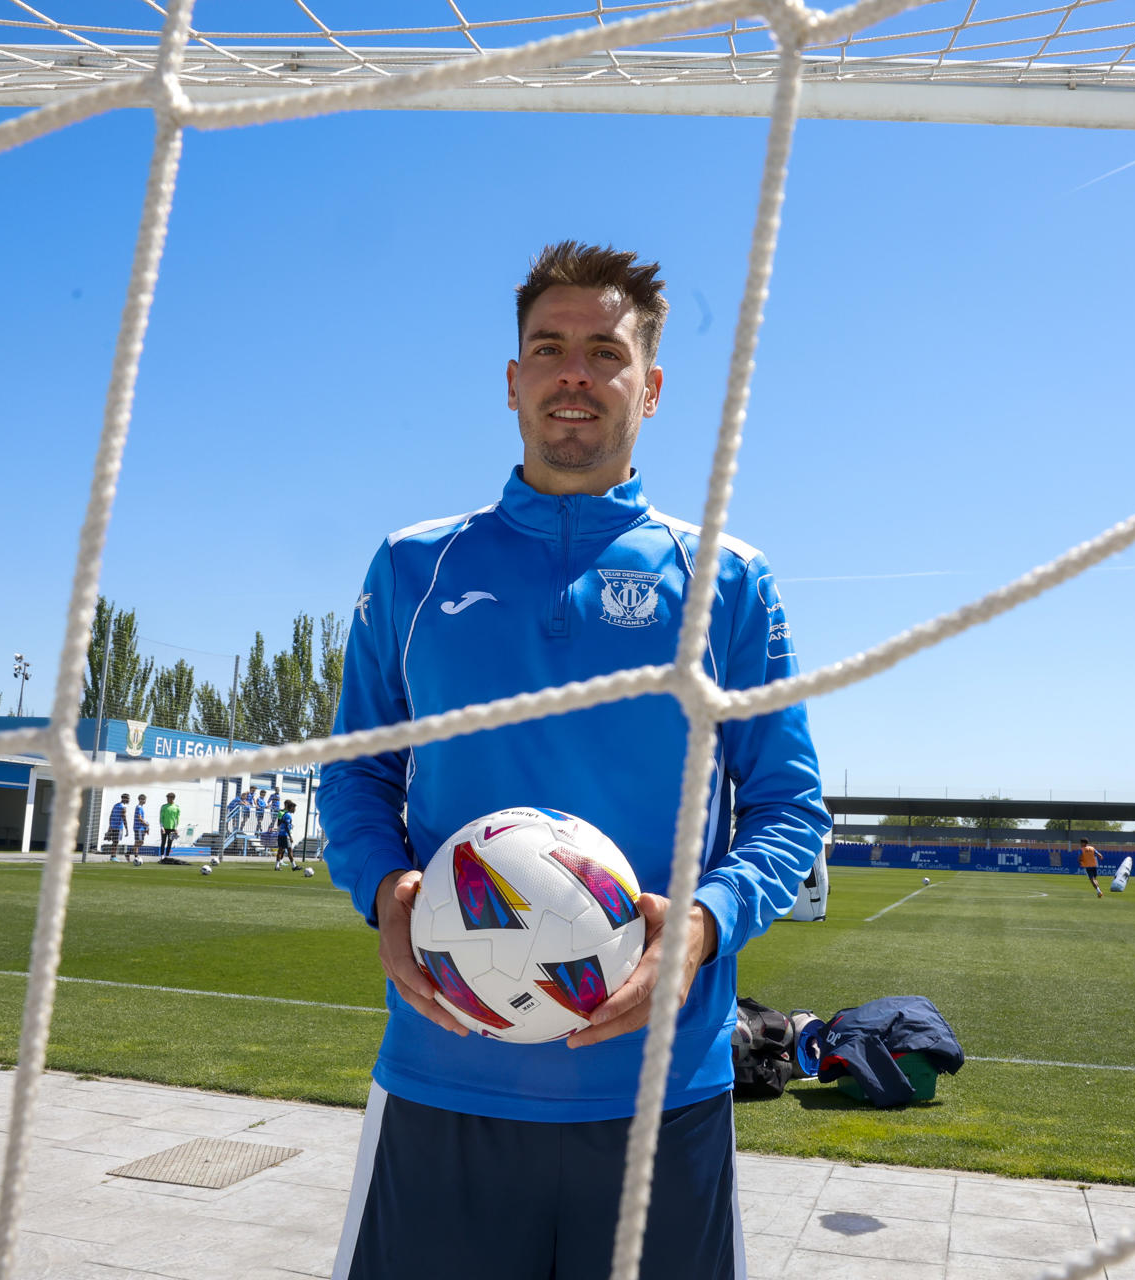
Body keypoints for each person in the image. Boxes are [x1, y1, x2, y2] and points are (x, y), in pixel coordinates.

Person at [321, 241, 828, 1280]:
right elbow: (356, 770)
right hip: (443, 1080)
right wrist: (385, 890)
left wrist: (699, 923)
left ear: (650, 383)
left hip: (659, 1098)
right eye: (549, 348)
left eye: (605, 351)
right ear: (512, 379)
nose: (574, 373)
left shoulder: (726, 578)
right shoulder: (415, 565)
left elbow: (788, 806)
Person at [273, 799, 296, 870]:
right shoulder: (283, 812)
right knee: (289, 850)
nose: (294, 809)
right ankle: (294, 866)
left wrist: (289, 825)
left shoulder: (287, 814)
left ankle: (277, 865)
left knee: (281, 850)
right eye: (293, 807)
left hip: (282, 834)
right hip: (285, 834)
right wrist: (290, 835)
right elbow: (279, 823)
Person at [106, 794, 128, 859]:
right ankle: (113, 856)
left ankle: (113, 856)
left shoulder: (115, 805)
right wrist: (127, 829)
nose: (129, 800)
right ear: (124, 798)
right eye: (128, 798)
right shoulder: (123, 807)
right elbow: (124, 818)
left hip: (113, 826)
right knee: (116, 842)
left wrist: (110, 826)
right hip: (118, 827)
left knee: (114, 842)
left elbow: (111, 816)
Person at [159, 792, 180, 859]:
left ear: (173, 798)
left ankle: (167, 856)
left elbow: (177, 819)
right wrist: (162, 827)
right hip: (164, 828)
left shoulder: (177, 807)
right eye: (167, 798)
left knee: (169, 843)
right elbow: (161, 818)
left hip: (172, 829)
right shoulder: (164, 806)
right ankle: (162, 856)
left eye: (169, 798)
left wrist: (176, 828)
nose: (167, 799)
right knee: (163, 842)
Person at [132, 794, 149, 858]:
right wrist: (145, 823)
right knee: (138, 841)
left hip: (141, 828)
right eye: (143, 799)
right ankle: (136, 857)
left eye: (145, 799)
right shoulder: (138, 807)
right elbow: (139, 818)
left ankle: (128, 852)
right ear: (140, 800)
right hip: (138, 828)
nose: (145, 801)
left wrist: (146, 827)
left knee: (141, 842)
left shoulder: (141, 807)